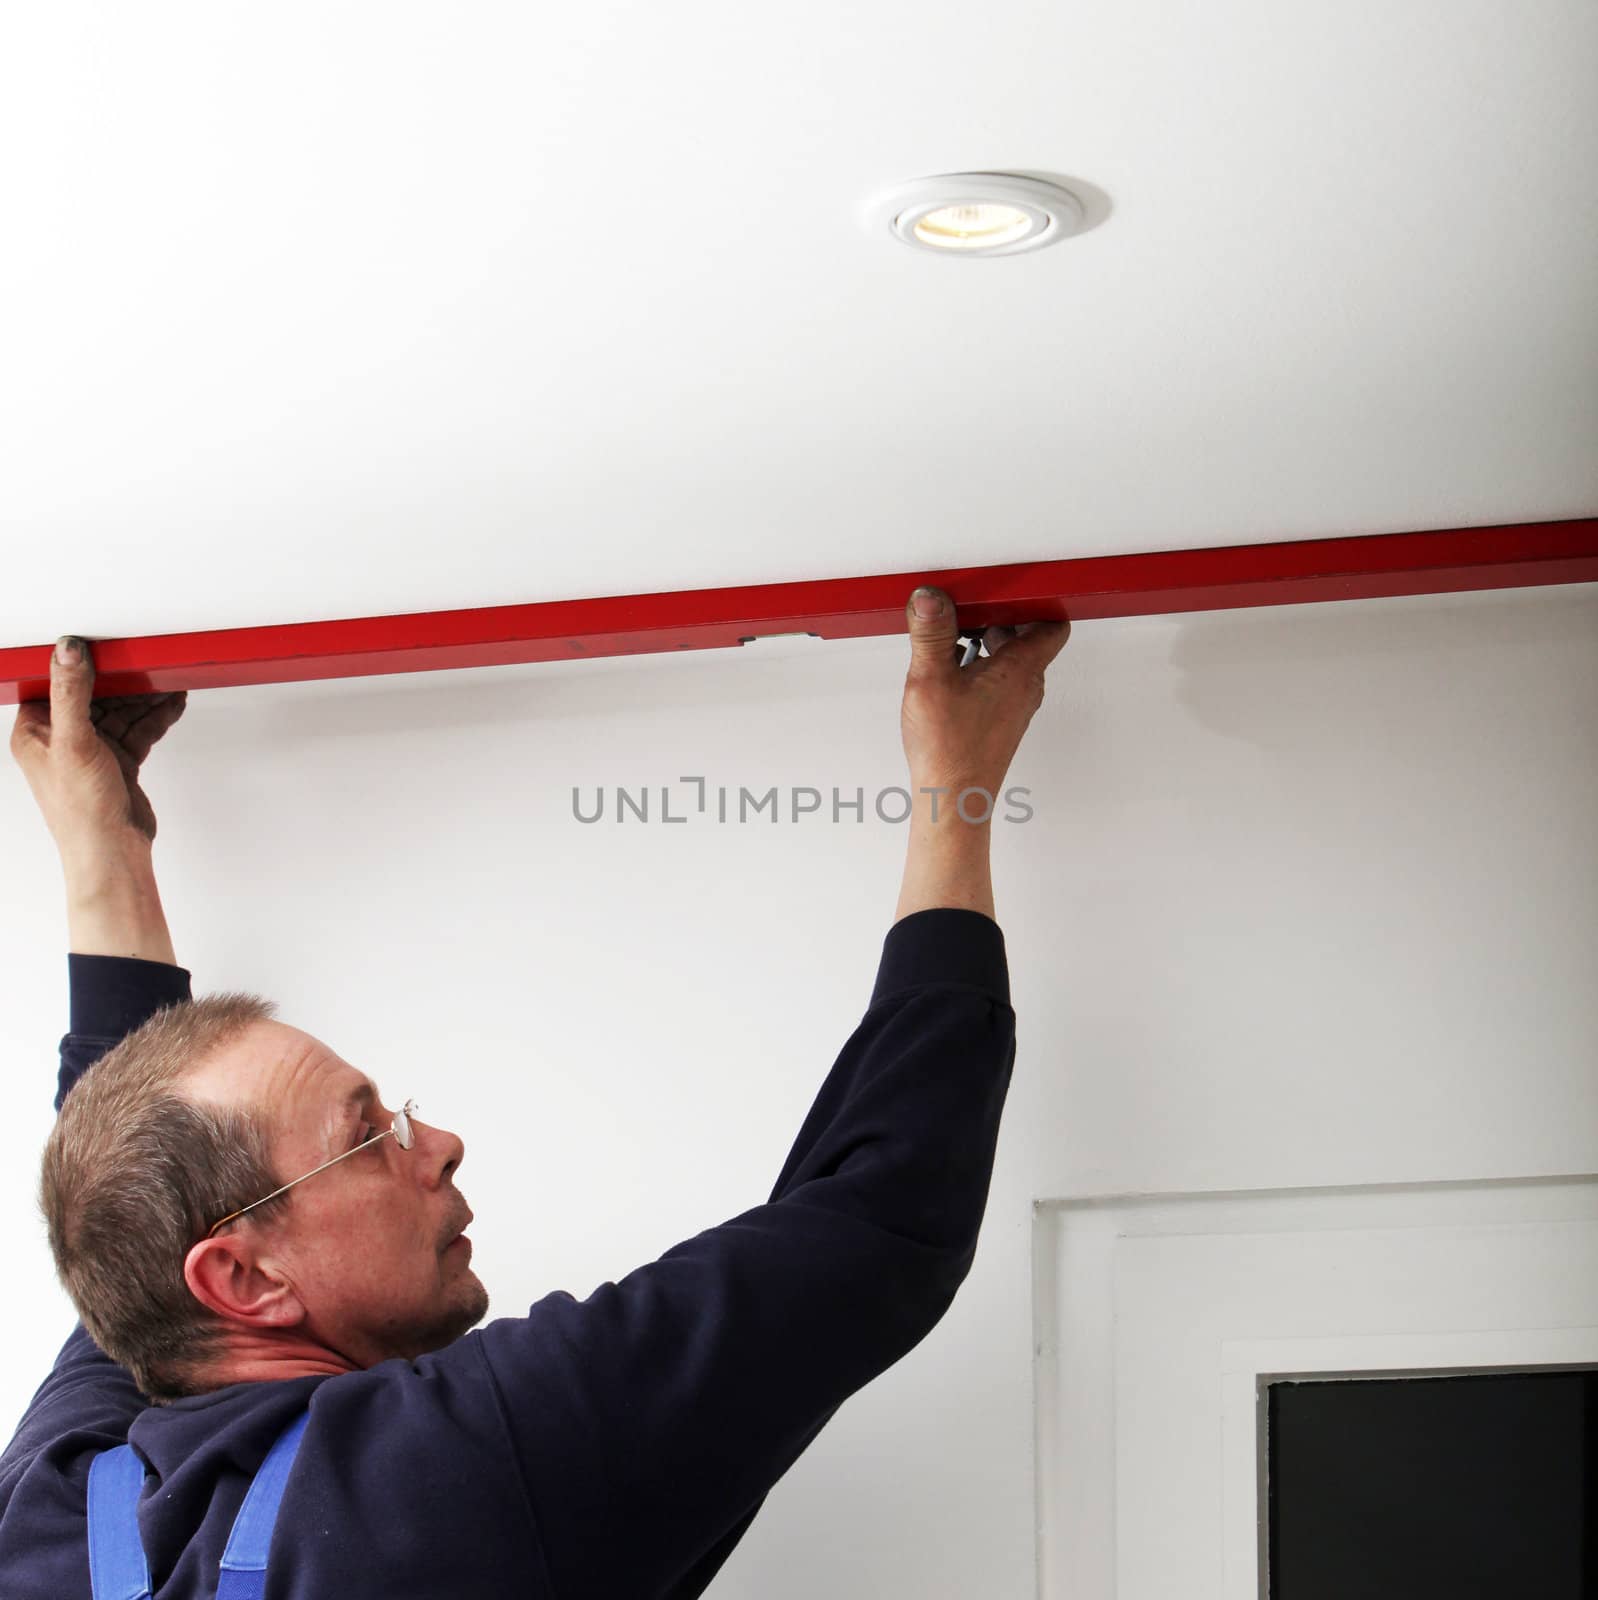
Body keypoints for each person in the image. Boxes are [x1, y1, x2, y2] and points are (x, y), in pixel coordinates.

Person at [0, 587, 1069, 1599]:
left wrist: (105, 854)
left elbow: (117, 1184)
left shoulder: (53, 1511)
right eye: (367, 1136)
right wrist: (953, 788)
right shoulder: (465, 1463)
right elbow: (883, 1213)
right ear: (242, 1274)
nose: (442, 1142)